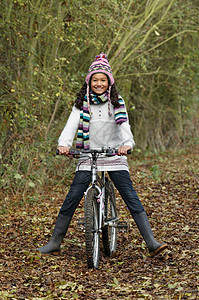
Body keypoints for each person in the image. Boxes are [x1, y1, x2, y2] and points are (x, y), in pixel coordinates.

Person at [37, 53, 168, 257]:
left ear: (109, 82)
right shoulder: (81, 103)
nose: (99, 83)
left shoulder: (116, 102)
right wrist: (63, 144)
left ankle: (151, 242)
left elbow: (124, 126)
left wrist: (127, 144)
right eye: (95, 80)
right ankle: (55, 242)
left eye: (103, 80)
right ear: (89, 82)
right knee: (72, 197)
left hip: (114, 155)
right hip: (88, 156)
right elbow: (71, 126)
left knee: (131, 198)